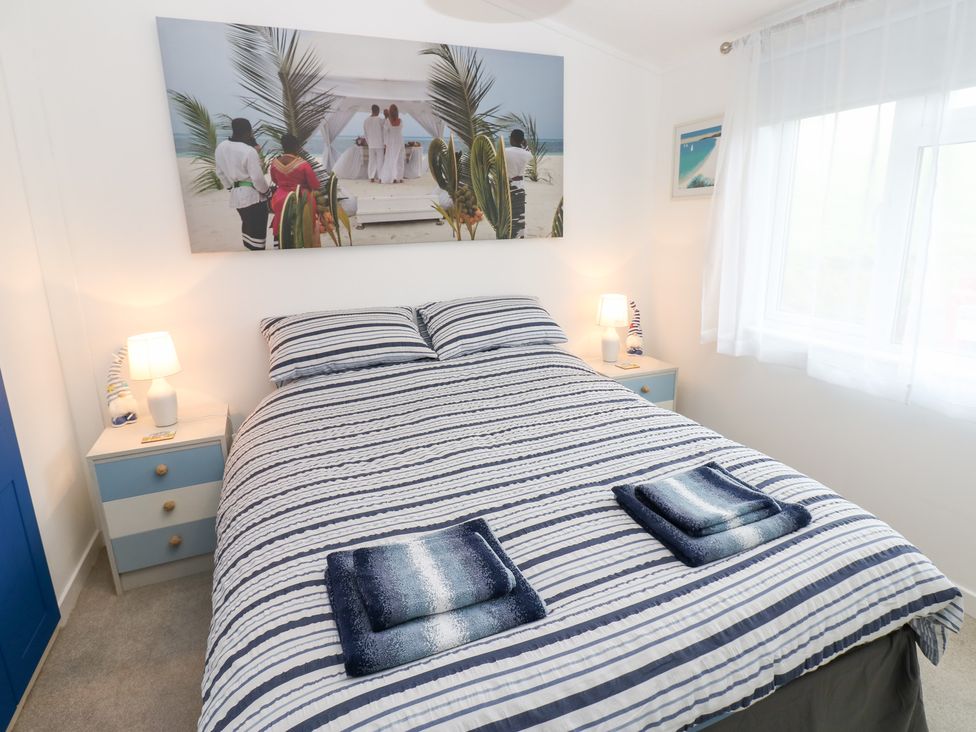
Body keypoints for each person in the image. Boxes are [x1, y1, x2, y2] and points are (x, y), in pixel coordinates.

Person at [214, 118, 271, 251]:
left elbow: (220, 173)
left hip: (236, 196)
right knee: (257, 235)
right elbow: (257, 178)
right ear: (248, 131)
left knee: (247, 227)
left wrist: (230, 188)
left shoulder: (221, 147)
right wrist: (267, 192)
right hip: (253, 197)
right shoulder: (248, 151)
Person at [269, 133, 321, 244]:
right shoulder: (303, 164)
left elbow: (274, 180)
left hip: (279, 198)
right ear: (297, 146)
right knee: (309, 217)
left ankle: (278, 239)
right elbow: (315, 185)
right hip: (301, 198)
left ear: (283, 146)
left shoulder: (274, 163)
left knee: (279, 215)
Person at [504, 129, 532, 238]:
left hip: (508, 184)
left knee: (508, 211)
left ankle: (508, 234)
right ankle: (520, 235)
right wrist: (525, 145)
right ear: (522, 140)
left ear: (511, 139)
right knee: (519, 211)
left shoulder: (505, 151)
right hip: (520, 186)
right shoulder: (527, 154)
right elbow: (529, 154)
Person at [379, 104, 405, 184]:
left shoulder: (387, 121)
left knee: (390, 159)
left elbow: (385, 134)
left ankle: (391, 177)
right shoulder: (401, 121)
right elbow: (400, 131)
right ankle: (399, 177)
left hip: (391, 142)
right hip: (399, 141)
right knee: (399, 159)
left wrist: (385, 144)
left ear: (390, 112)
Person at [363, 104, 385, 183]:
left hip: (371, 144)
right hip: (379, 144)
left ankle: (371, 177)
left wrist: (369, 143)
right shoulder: (380, 120)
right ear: (378, 111)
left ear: (372, 110)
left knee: (371, 161)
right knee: (380, 161)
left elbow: (365, 134)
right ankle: (380, 177)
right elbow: (384, 132)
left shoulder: (366, 121)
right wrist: (385, 143)